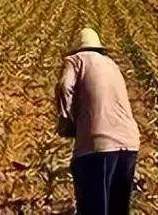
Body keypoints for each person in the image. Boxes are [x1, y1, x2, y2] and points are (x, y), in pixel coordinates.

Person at [55, 27, 140, 215]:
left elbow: (64, 86)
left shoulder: (76, 60)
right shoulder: (111, 64)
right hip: (129, 142)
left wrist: (66, 118)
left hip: (97, 145)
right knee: (117, 209)